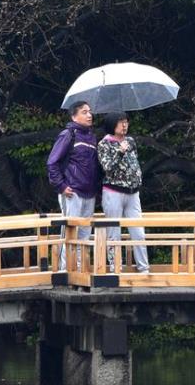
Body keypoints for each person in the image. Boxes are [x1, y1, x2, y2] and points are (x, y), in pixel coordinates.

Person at [47, 101, 101, 269]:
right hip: (72, 191)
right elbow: (52, 162)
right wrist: (61, 186)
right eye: (84, 112)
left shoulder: (92, 137)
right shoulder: (68, 134)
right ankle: (65, 271)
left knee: (85, 235)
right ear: (74, 116)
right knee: (69, 233)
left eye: (90, 112)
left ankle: (80, 271)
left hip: (89, 193)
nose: (89, 115)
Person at [97, 115, 151, 274]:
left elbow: (134, 162)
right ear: (112, 124)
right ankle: (116, 270)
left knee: (138, 232)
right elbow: (107, 168)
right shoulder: (104, 144)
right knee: (114, 233)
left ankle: (144, 268)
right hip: (113, 191)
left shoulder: (130, 141)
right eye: (121, 122)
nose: (124, 125)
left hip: (133, 192)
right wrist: (120, 152)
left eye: (126, 122)